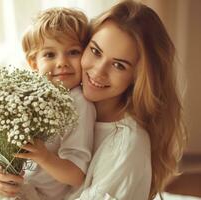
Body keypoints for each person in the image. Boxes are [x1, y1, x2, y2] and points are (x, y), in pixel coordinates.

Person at [65, 0, 187, 200]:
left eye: (119, 65)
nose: (98, 71)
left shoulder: (127, 146)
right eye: (95, 51)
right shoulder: (66, 105)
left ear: (138, 77)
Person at [0, 7, 96, 200]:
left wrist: (44, 157)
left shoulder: (79, 103)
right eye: (50, 55)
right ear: (34, 63)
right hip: (17, 188)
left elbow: (77, 176)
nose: (62, 62)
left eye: (73, 52)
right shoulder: (25, 95)